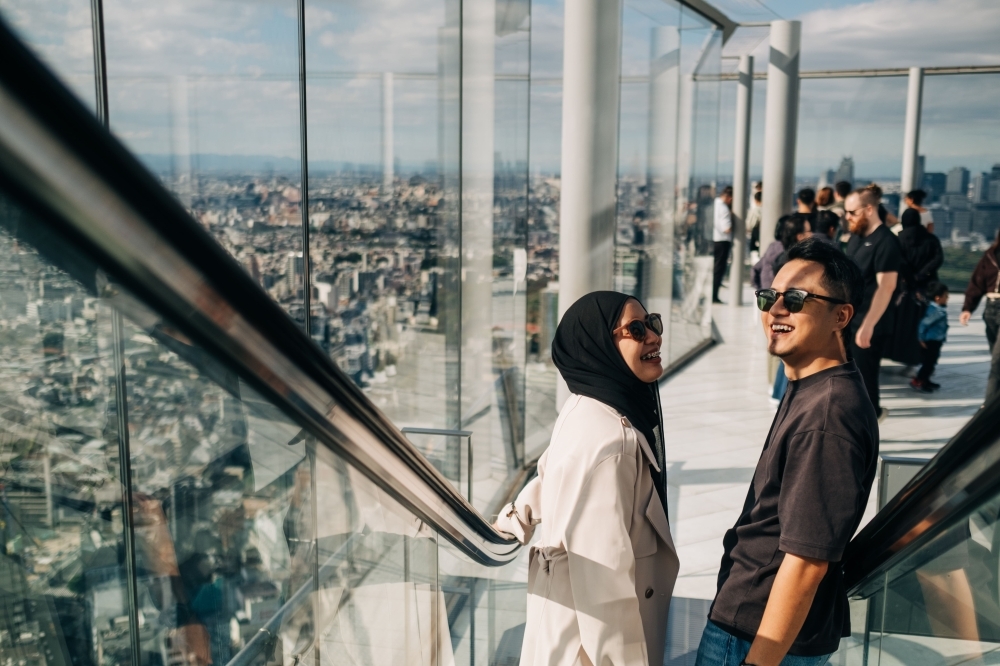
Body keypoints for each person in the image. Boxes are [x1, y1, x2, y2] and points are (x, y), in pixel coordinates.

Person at [696, 238, 877, 666]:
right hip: (762, 628)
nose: (776, 309)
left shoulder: (828, 415)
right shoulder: (813, 387)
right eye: (769, 296)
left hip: (755, 636)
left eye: (796, 298)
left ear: (841, 316)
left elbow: (806, 560)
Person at [495, 292, 679, 666]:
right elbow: (605, 588)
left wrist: (518, 515)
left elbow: (556, 472)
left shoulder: (582, 407)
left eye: (653, 324)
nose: (654, 337)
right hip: (590, 650)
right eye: (636, 329)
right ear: (595, 344)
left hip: (563, 631)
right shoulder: (614, 441)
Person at [845, 183, 901, 422]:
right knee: (849, 378)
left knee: (865, 380)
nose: (847, 217)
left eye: (852, 212)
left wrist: (868, 325)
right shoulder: (856, 238)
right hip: (850, 320)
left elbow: (886, 287)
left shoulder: (886, 242)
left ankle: (870, 423)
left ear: (868, 209)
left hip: (869, 324)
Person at [770, 214, 813, 402]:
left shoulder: (782, 257)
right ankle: (782, 397)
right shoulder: (795, 264)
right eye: (808, 231)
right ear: (799, 236)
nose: (812, 234)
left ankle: (779, 395)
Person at [959, 229, 1000, 403]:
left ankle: (989, 406)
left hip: (992, 308)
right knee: (996, 359)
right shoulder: (990, 256)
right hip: (991, 310)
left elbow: (976, 283)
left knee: (997, 363)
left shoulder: (990, 255)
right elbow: (977, 282)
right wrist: (967, 308)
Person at [912, 282, 949, 393]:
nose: (948, 298)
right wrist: (921, 338)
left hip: (936, 341)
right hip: (931, 341)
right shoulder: (936, 311)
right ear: (938, 298)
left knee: (932, 362)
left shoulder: (937, 309)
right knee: (928, 363)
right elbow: (924, 324)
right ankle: (919, 381)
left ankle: (926, 380)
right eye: (946, 296)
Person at [898, 207, 943, 295]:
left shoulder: (898, 240)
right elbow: (938, 258)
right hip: (929, 284)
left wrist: (909, 277)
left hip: (905, 286)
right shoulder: (932, 239)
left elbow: (899, 260)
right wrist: (921, 274)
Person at [714, 186, 734, 303]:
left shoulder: (715, 204)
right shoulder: (724, 208)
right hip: (722, 241)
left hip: (713, 240)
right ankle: (714, 295)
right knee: (718, 269)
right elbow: (726, 228)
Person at [747, 190, 763, 256]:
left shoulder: (755, 210)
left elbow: (751, 224)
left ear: (756, 200)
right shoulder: (768, 210)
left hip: (757, 234)